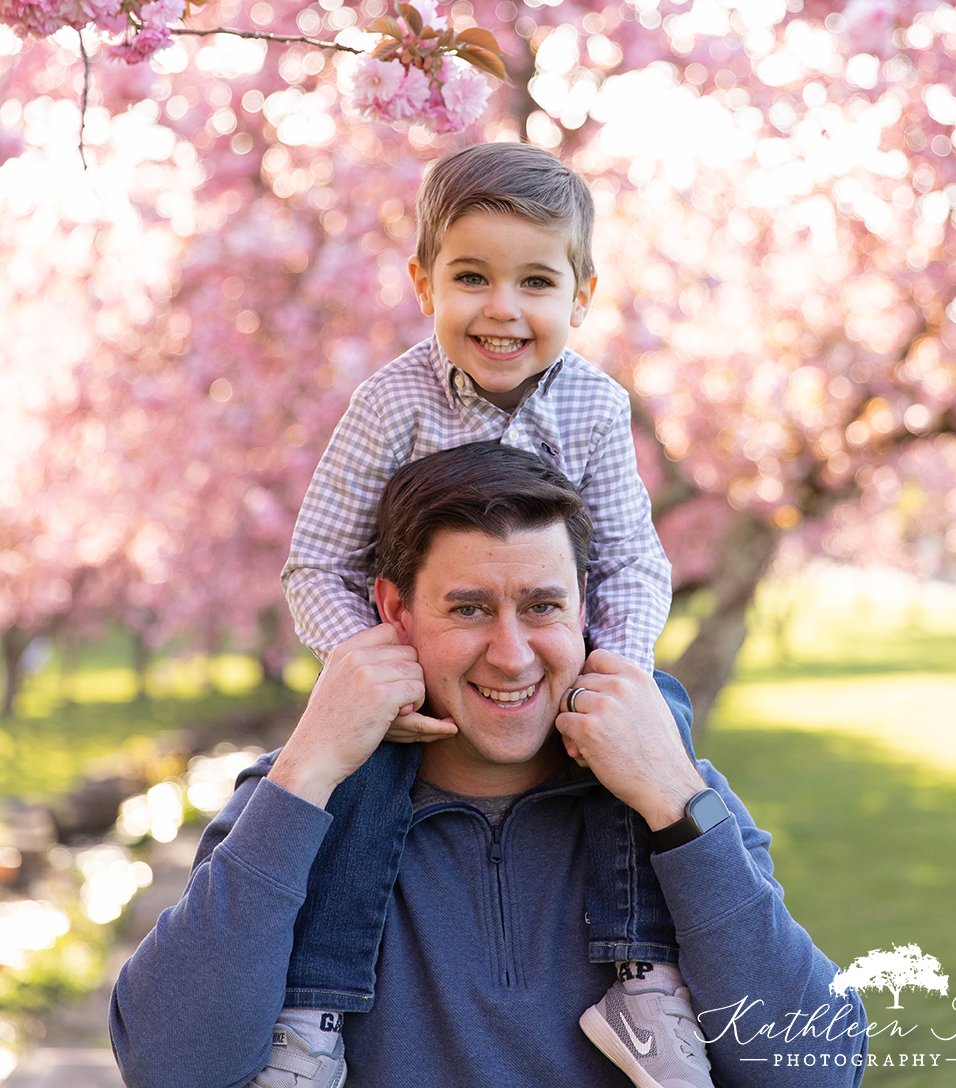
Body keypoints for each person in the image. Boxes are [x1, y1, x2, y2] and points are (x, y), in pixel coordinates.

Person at [111, 443, 867, 1088]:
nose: (511, 655)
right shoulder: (297, 801)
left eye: (541, 606)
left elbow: (818, 1065)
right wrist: (307, 769)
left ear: (581, 610)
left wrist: (676, 800)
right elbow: (171, 1065)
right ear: (395, 612)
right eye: (469, 609)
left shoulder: (676, 804)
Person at [275, 142, 699, 1082]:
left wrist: (609, 670)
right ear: (425, 281)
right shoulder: (391, 405)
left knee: (654, 721)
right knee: (361, 791)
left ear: (580, 296)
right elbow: (316, 564)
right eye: (471, 277)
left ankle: (642, 977)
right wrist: (374, 671)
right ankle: (312, 1011)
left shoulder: (593, 407)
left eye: (535, 282)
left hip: (554, 666)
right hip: (422, 672)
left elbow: (632, 560)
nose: (502, 309)